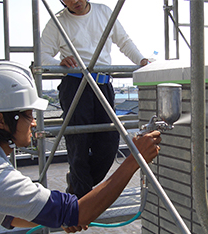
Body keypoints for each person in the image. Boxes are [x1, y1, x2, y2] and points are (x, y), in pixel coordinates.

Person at [0, 61, 160, 234]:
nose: (34, 123)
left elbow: (5, 213)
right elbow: (79, 214)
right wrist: (133, 160)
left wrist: (57, 216)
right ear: (0, 121)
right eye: (28, 115)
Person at [40, 0, 149, 199]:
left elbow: (123, 41)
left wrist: (142, 61)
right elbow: (42, 55)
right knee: (78, 142)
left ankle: (77, 185)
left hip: (103, 83)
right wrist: (59, 62)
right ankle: (80, 202)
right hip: (75, 85)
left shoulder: (104, 12)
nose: (75, 1)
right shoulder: (58, 22)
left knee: (109, 142)